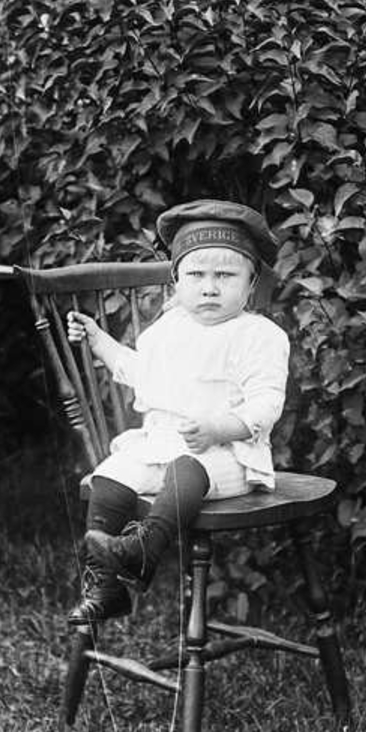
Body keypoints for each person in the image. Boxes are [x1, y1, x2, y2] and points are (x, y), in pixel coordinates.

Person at [66, 199, 290, 627]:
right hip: (163, 447)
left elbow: (266, 404)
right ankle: (105, 585)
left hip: (228, 457)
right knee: (110, 474)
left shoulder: (259, 335)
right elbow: (138, 372)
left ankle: (146, 548)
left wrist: (217, 428)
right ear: (176, 281)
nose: (209, 288)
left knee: (187, 467)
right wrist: (98, 340)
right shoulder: (169, 329)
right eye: (196, 275)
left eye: (225, 276)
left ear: (251, 283)